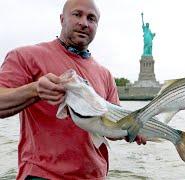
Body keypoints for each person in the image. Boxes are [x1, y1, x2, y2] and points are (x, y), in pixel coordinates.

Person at [0, 0, 145, 179]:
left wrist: (133, 131)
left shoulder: (105, 74)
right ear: (62, 19)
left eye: (91, 18)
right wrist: (35, 90)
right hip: (42, 175)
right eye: (77, 14)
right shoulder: (25, 56)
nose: (84, 23)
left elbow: (112, 129)